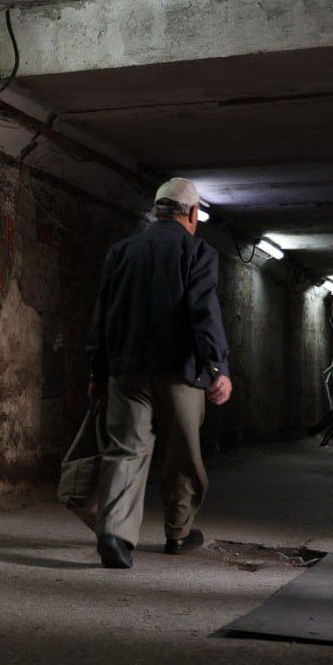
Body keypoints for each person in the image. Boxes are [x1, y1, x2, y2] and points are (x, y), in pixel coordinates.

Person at [85, 177, 233, 570]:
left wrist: (98, 371)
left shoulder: (121, 252)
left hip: (127, 369)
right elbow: (204, 312)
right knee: (181, 454)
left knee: (125, 451)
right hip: (180, 372)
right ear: (192, 214)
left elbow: (102, 316)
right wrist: (217, 366)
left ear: (157, 210)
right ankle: (178, 533)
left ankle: (115, 535)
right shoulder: (198, 251)